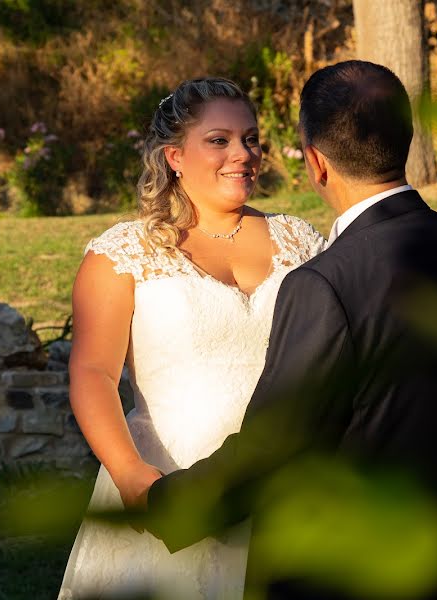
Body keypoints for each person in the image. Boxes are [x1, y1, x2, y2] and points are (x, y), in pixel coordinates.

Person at [140, 60, 437, 599]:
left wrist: (167, 505)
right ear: (405, 139)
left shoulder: (323, 282)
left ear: (316, 162)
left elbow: (277, 445)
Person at [57, 77, 325, 599]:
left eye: (250, 139)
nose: (242, 154)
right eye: (219, 140)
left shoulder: (301, 241)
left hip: (281, 483)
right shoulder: (122, 253)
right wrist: (132, 474)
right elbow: (92, 372)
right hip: (168, 480)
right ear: (175, 155)